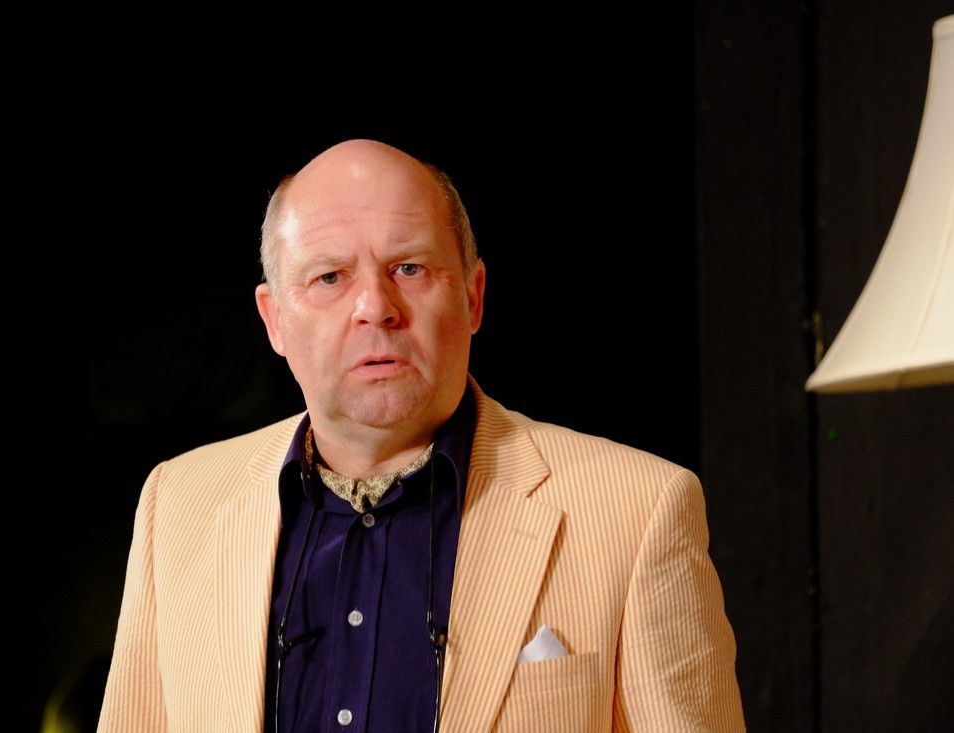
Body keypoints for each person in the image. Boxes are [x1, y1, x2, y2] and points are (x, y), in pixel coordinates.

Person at [97, 139, 745, 732]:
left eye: (408, 268)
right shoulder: (177, 504)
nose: (375, 306)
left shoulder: (637, 510)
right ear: (274, 320)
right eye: (330, 277)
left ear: (473, 295)